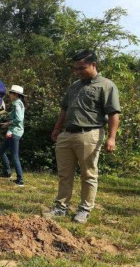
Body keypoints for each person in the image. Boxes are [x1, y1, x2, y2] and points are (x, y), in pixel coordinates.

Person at [45, 49, 121, 223]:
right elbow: (64, 109)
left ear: (93, 65)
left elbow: (113, 113)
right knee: (64, 174)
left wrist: (111, 138)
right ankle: (60, 207)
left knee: (88, 174)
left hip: (89, 134)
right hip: (67, 135)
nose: (78, 72)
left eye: (81, 68)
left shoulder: (106, 85)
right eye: (75, 69)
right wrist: (57, 129)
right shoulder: (75, 86)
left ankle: (84, 210)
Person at [0, 85, 26, 186]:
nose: (9, 94)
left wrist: (7, 124)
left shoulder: (17, 104)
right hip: (12, 132)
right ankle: (7, 172)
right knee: (1, 151)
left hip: (14, 132)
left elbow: (19, 119)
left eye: (11, 93)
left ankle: (20, 180)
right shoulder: (17, 103)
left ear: (15, 94)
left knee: (14, 156)